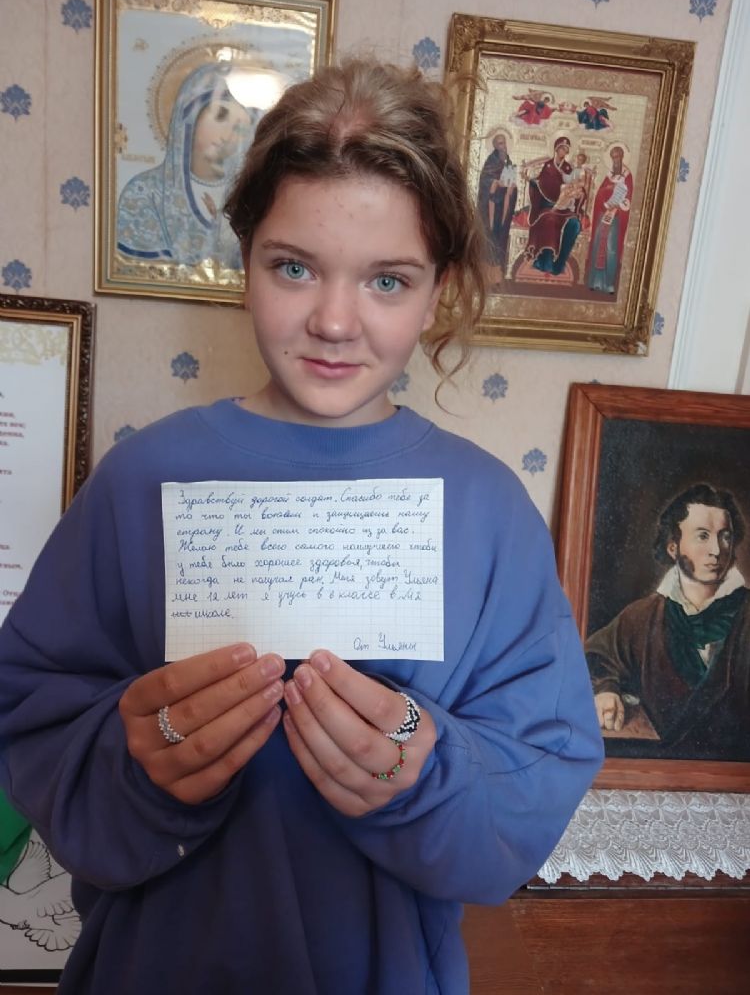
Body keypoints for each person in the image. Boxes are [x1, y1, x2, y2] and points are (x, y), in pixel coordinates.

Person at [0, 59, 603, 995]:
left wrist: (425, 772)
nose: (334, 321)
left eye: (388, 281)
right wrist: (136, 764)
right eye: (294, 267)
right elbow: (31, 720)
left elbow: (542, 768)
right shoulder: (140, 481)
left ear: (439, 290)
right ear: (245, 261)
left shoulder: (488, 512)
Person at [586, 483, 750, 760]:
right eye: (702, 536)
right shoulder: (641, 617)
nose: (716, 550)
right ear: (673, 547)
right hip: (660, 769)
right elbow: (593, 658)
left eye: (725, 537)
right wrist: (605, 689)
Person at [116, 62, 257, 270]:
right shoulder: (144, 193)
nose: (228, 136)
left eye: (239, 129)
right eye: (220, 115)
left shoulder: (248, 202)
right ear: (189, 117)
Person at [524, 135, 584, 276]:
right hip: (548, 207)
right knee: (550, 219)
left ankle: (560, 263)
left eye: (566, 150)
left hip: (565, 208)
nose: (564, 152)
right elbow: (541, 183)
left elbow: (575, 184)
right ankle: (546, 261)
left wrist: (578, 193)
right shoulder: (548, 166)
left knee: (575, 224)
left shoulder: (568, 168)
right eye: (562, 149)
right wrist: (532, 181)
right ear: (556, 149)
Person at [586, 145, 633, 294]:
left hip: (616, 216)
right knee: (598, 244)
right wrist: (606, 191)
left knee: (611, 249)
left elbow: (629, 197)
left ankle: (609, 284)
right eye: (613, 157)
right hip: (604, 213)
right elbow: (600, 193)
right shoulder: (609, 175)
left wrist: (617, 206)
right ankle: (595, 282)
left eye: (617, 157)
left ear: (622, 157)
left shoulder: (627, 175)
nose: (615, 160)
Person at [476, 131, 518, 283]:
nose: (503, 146)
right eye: (500, 143)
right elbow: (485, 181)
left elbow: (510, 181)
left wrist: (511, 188)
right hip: (490, 209)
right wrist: (495, 183)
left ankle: (497, 275)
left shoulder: (508, 162)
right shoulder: (491, 161)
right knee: (490, 237)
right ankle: (486, 275)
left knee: (500, 239)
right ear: (495, 146)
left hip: (502, 208)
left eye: (504, 143)